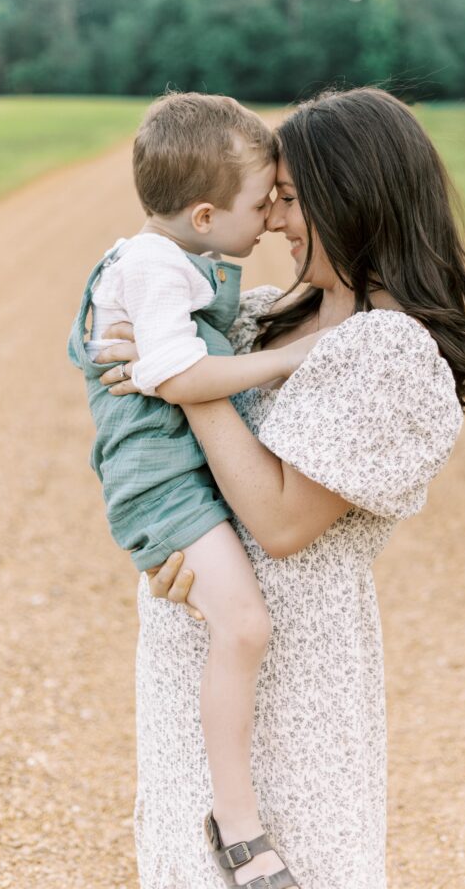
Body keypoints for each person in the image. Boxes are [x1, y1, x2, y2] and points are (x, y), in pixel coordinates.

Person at [97, 87, 465, 889]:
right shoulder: (263, 317)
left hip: (296, 685)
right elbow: (138, 410)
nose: (272, 220)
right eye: (271, 198)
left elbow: (277, 522)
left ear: (354, 198)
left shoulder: (390, 351)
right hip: (193, 647)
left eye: (291, 197)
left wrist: (181, 379)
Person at [68, 92, 326, 889]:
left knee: (240, 621)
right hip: (161, 480)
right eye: (261, 204)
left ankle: (234, 813)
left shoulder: (172, 260)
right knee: (243, 626)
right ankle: (238, 824)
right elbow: (179, 376)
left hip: (174, 471)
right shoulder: (150, 267)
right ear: (208, 215)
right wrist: (292, 358)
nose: (269, 222)